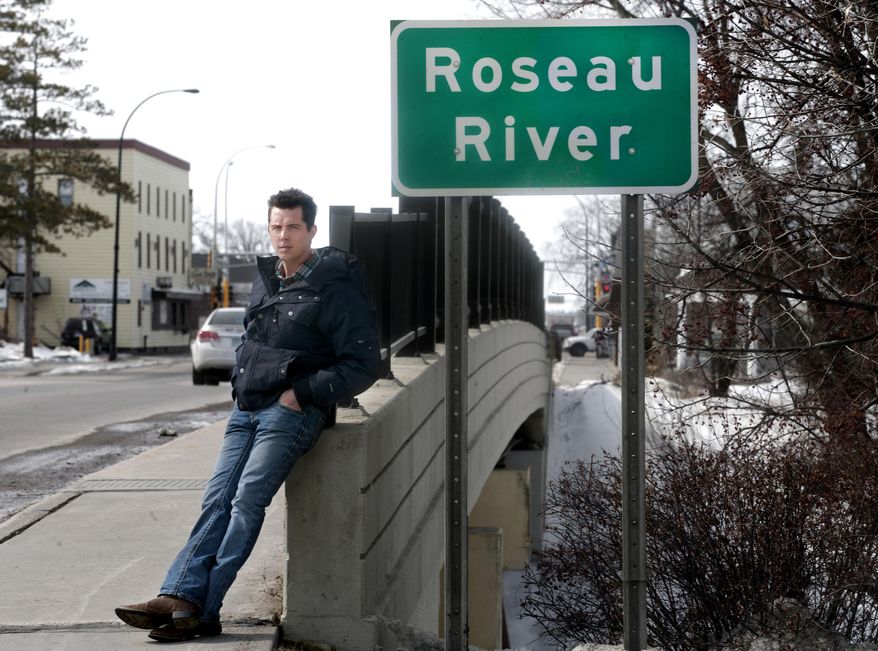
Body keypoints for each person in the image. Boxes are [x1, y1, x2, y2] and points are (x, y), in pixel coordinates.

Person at [115, 187, 381, 642]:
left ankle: (199, 606)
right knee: (216, 500)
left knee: (245, 502)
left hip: (291, 412)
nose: (283, 235)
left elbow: (363, 365)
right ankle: (180, 597)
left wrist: (301, 393)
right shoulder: (265, 279)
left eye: (293, 226)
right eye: (276, 226)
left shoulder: (335, 287)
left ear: (312, 230)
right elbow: (252, 341)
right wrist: (241, 386)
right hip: (247, 409)